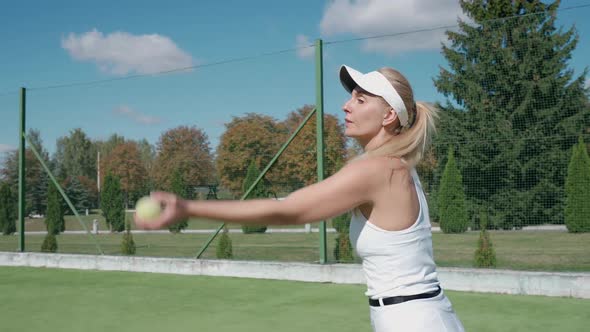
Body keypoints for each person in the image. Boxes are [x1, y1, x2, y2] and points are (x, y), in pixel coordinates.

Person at [135, 65, 465, 332]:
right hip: (420, 315)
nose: (346, 105)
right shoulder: (399, 165)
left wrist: (188, 207)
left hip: (412, 320)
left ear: (389, 116)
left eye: (361, 100)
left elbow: (288, 210)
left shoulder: (378, 169)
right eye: (351, 97)